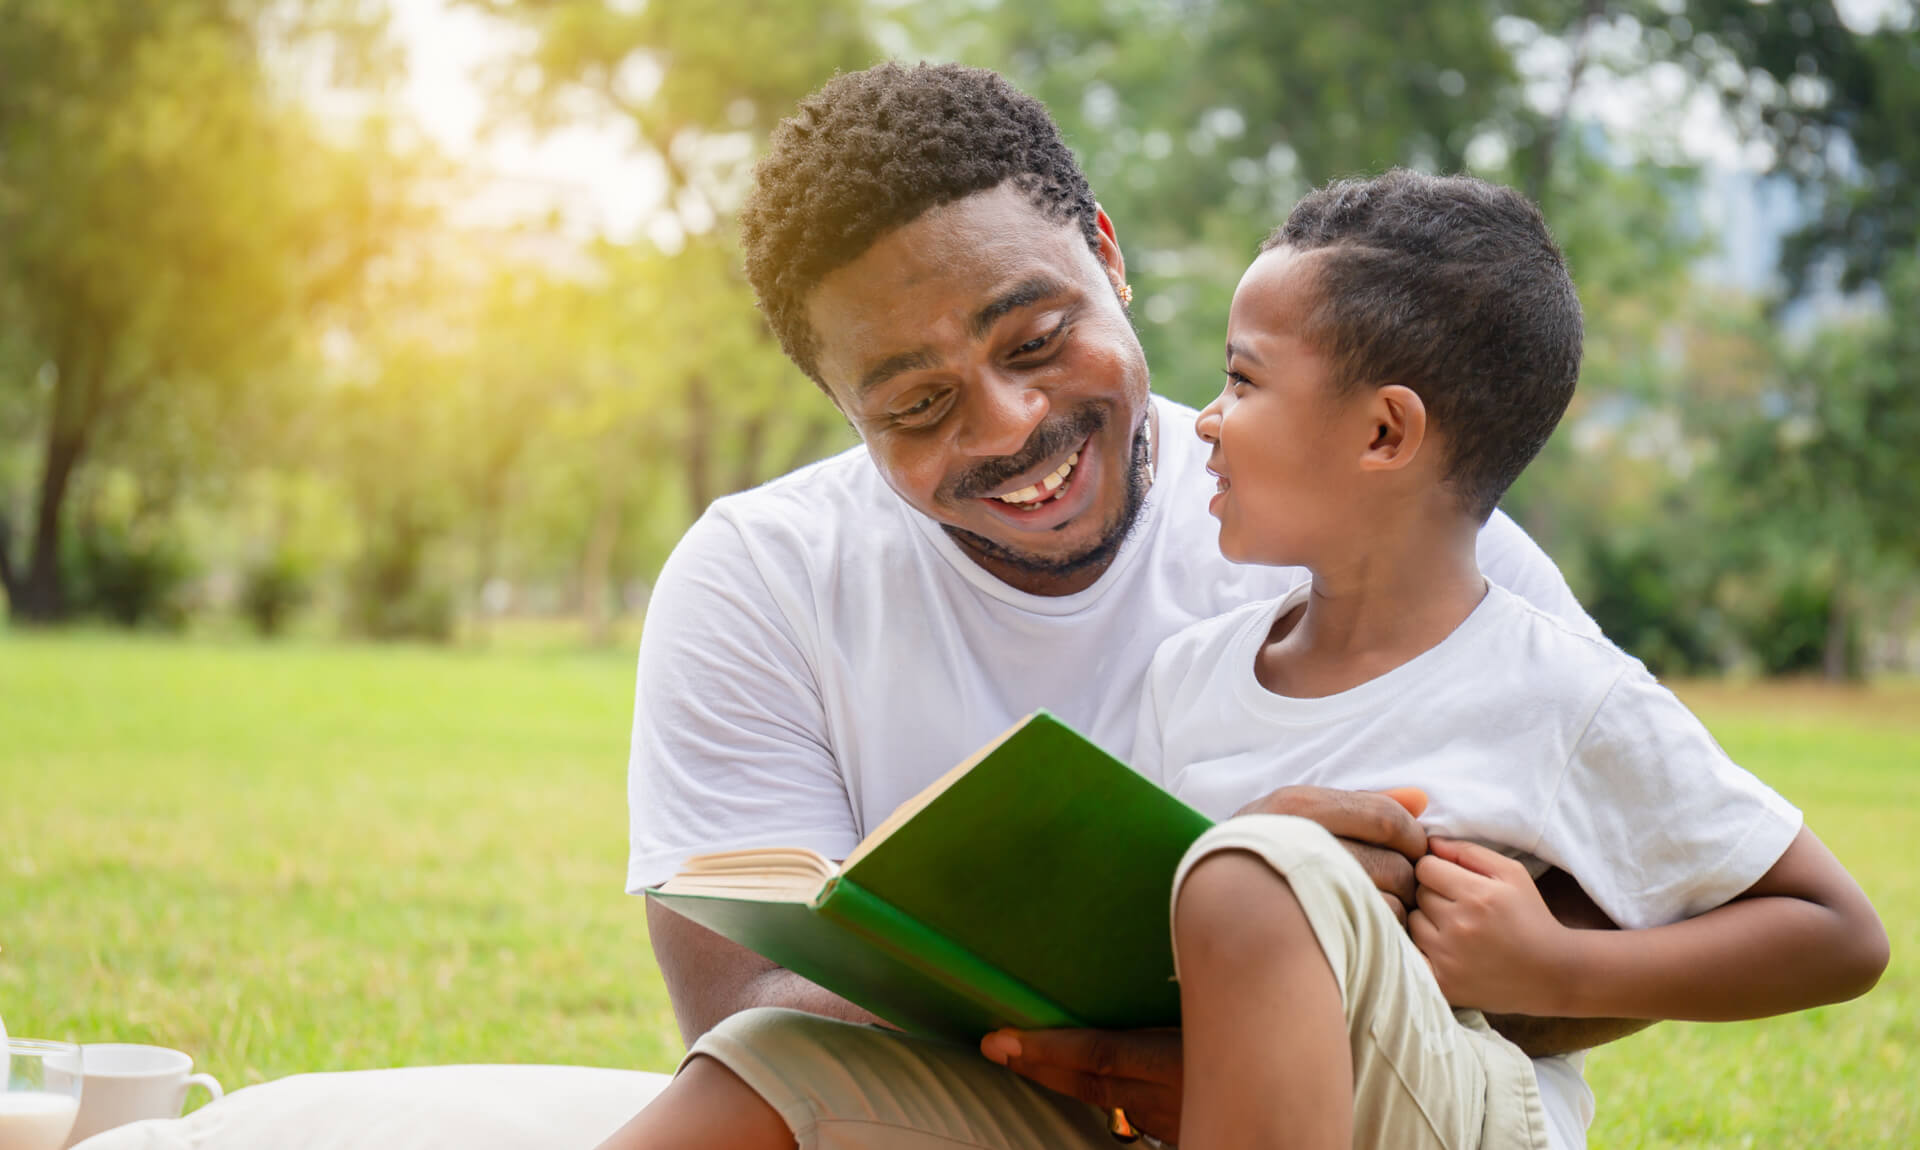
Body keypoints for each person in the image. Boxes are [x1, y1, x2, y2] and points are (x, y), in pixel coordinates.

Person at [606, 63, 1642, 1150]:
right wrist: (1164, 966)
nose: (1009, 426)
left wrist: (1294, 967)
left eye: (1039, 340)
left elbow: (1654, 909)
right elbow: (746, 1010)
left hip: (1365, 1100)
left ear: (1109, 254)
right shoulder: (759, 575)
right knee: (756, 1073)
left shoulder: (1383, 514)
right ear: (841, 406)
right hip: (1022, 1102)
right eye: (917, 403)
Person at [1094, 169, 1888, 1149]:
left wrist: (1552, 967)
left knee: (1262, 873)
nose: (1206, 419)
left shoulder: (1557, 690)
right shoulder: (1190, 675)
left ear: (1385, 431)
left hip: (1457, 1103)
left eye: (1243, 379)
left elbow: (1837, 932)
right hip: (1212, 1105)